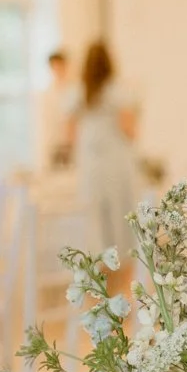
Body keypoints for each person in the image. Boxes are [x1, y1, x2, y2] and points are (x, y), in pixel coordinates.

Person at [72, 40, 141, 286]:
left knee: (96, 221)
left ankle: (101, 282)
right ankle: (122, 283)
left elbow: (69, 133)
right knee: (121, 218)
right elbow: (129, 131)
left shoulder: (80, 94)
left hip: (91, 168)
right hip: (115, 166)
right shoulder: (118, 92)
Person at [42, 48, 76, 171]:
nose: (57, 69)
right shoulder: (47, 93)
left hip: (72, 145)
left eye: (60, 65)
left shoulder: (74, 90)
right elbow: (46, 123)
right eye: (54, 66)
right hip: (53, 144)